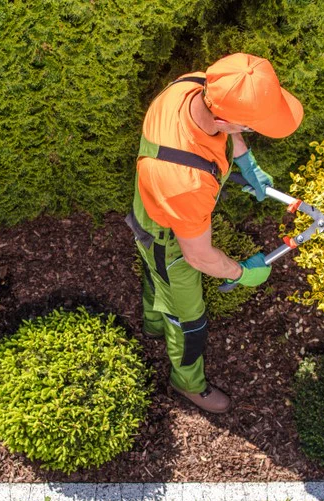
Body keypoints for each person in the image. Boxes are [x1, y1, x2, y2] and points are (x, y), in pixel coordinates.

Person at [125, 53, 303, 414]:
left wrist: (245, 161)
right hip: (168, 240)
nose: (248, 133)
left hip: (151, 206)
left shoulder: (193, 85)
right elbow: (199, 257)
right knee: (189, 319)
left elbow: (226, 126)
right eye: (250, 127)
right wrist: (243, 271)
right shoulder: (186, 184)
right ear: (224, 118)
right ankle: (188, 383)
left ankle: (152, 322)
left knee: (153, 275)